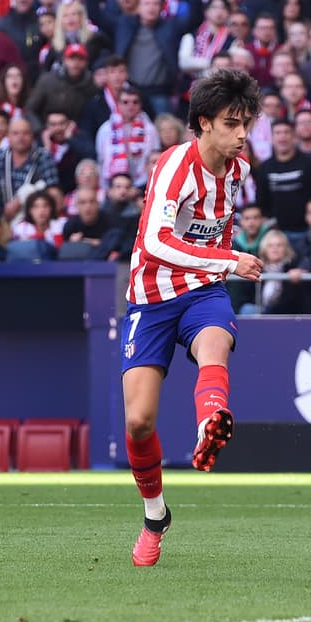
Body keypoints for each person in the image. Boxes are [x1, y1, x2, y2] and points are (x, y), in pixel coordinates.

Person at [121, 69, 264, 568]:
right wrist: (230, 260)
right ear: (203, 122)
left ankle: (210, 420)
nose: (242, 134)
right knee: (138, 421)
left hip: (203, 290)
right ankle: (155, 517)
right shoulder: (173, 166)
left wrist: (221, 265)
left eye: (246, 123)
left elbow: (216, 230)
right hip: (151, 297)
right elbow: (155, 242)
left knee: (214, 343)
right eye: (231, 124)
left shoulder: (239, 171)